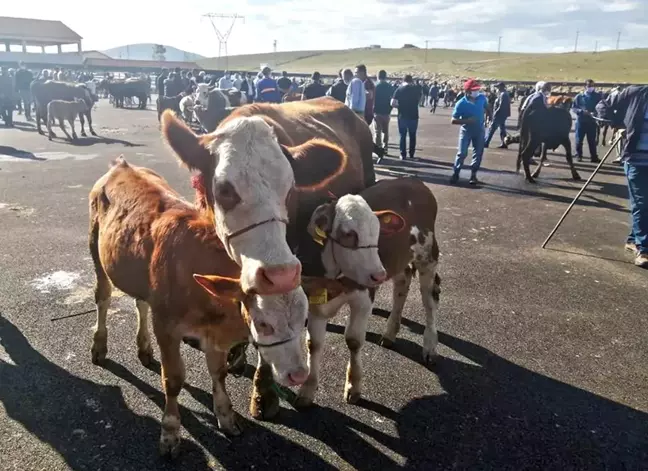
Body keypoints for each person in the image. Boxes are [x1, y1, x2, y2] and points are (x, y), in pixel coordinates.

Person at [606, 85, 648, 268]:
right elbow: (604, 106)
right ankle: (644, 248)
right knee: (642, 202)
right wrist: (618, 123)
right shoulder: (635, 93)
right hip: (637, 159)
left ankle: (633, 239)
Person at [450, 79, 489, 185]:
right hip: (466, 130)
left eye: (477, 89)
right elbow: (453, 120)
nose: (477, 91)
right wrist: (467, 121)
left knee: (478, 153)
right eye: (474, 90)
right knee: (462, 153)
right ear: (467, 91)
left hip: (479, 130)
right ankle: (456, 173)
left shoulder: (481, 98)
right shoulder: (461, 103)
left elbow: (487, 107)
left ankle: (473, 175)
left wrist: (489, 117)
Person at [391, 74, 420, 160]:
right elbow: (420, 99)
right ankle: (411, 153)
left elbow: (392, 103)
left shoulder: (399, 90)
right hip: (414, 115)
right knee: (412, 135)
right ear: (411, 81)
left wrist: (399, 106)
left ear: (403, 80)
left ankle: (402, 154)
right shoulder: (416, 89)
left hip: (402, 115)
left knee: (402, 135)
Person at [572, 79, 601, 163]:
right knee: (579, 140)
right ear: (585, 86)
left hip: (592, 121)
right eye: (589, 86)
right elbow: (574, 108)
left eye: (592, 86)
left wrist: (595, 113)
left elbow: (601, 107)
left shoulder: (597, 96)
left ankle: (594, 156)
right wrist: (581, 111)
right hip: (581, 121)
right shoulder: (579, 96)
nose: (591, 88)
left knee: (592, 140)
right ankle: (579, 155)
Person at [485, 82, 511, 149]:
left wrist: (495, 113)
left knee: (492, 129)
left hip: (499, 115)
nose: (497, 88)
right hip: (502, 115)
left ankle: (486, 142)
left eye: (498, 87)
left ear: (501, 87)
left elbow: (501, 106)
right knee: (502, 129)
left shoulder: (503, 94)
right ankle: (504, 143)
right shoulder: (503, 94)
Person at [373, 69, 393, 153]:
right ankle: (385, 147)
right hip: (386, 112)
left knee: (377, 132)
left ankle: (378, 148)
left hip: (377, 111)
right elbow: (392, 100)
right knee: (386, 131)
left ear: (378, 77)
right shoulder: (389, 87)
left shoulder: (375, 86)